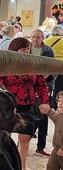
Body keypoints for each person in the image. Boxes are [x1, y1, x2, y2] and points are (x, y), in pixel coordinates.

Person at [0, 37, 50, 170]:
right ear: (15, 49)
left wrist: (45, 101)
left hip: (28, 105)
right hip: (9, 104)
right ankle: (2, 165)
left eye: (27, 49)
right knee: (4, 137)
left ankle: (22, 167)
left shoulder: (33, 64)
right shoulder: (4, 64)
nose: (26, 51)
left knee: (25, 139)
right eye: (23, 49)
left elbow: (41, 84)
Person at [29, 28, 56, 157]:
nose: (35, 39)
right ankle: (25, 142)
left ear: (42, 38)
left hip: (43, 86)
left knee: (43, 115)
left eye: (38, 37)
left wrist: (48, 76)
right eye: (33, 37)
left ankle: (40, 147)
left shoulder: (48, 51)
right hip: (29, 85)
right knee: (30, 114)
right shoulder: (26, 48)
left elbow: (53, 68)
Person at [40, 91, 63, 170]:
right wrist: (46, 108)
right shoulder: (59, 116)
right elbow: (52, 114)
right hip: (56, 150)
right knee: (51, 167)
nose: (60, 104)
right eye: (59, 101)